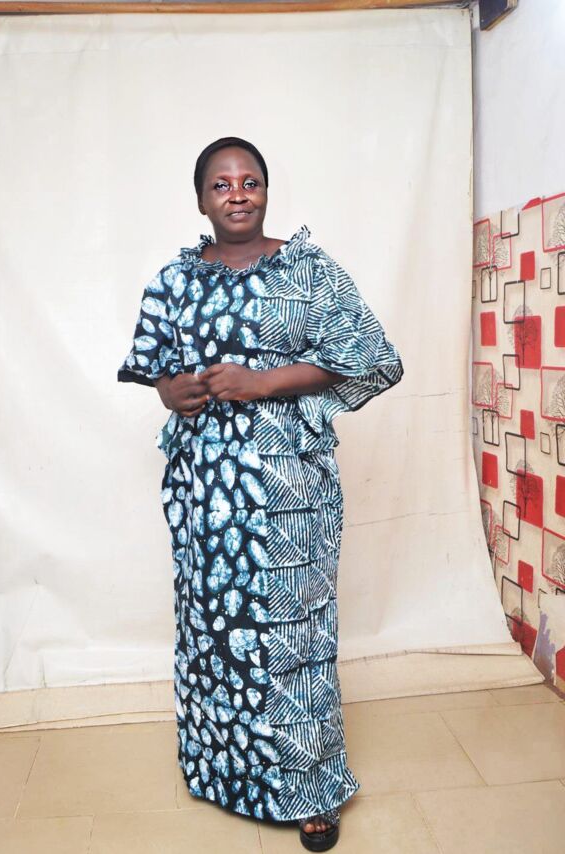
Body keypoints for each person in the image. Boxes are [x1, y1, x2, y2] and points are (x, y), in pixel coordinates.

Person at [118, 136, 404, 851]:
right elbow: (156, 369)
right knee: (215, 631)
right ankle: (224, 773)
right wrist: (171, 392)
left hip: (289, 489)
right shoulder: (174, 281)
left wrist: (261, 382)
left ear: (267, 192)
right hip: (205, 488)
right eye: (221, 184)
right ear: (201, 201)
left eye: (250, 180)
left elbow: (371, 357)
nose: (237, 193)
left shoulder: (309, 270)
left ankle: (310, 790)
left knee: (293, 636)